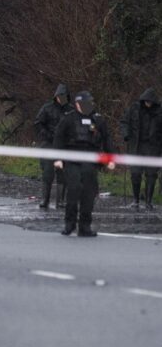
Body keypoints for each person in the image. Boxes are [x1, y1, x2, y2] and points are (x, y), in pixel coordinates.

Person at [53, 91, 115, 237]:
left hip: (90, 161)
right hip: (72, 160)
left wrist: (110, 159)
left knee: (89, 193)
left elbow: (107, 140)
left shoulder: (98, 120)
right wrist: (57, 158)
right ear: (77, 105)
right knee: (74, 189)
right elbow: (58, 138)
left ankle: (85, 226)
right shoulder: (68, 119)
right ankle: (69, 224)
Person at [119, 88, 161, 210]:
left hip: (153, 147)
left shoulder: (159, 112)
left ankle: (149, 201)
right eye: (146, 101)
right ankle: (136, 200)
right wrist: (126, 134)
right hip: (136, 146)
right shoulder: (134, 109)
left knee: (151, 174)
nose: (148, 103)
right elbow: (124, 122)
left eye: (150, 101)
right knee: (135, 173)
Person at [33, 83, 72, 209]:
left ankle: (60, 201)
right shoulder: (47, 108)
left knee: (63, 173)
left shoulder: (70, 110)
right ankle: (45, 200)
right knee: (48, 172)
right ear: (56, 96)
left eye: (64, 96)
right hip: (48, 144)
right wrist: (47, 135)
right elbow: (38, 123)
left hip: (64, 146)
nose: (62, 98)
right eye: (60, 96)